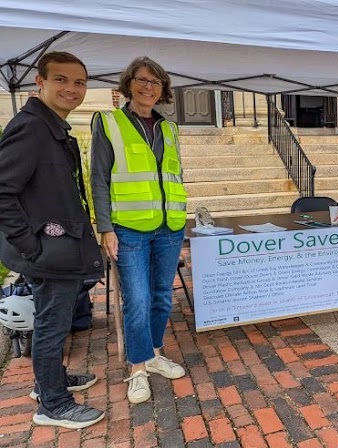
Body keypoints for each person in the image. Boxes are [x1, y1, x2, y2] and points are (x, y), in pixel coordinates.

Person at [0, 51, 105, 428]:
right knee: (51, 325)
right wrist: (33, 247)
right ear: (40, 82)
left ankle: (50, 382)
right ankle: (53, 405)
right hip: (49, 252)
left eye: (79, 82)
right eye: (61, 79)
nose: (71, 89)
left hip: (57, 248)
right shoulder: (31, 127)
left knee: (54, 322)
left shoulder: (50, 127)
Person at [91, 57, 188, 404]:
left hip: (169, 226)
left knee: (162, 295)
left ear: (163, 89)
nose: (148, 87)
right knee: (137, 299)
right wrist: (105, 227)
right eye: (142, 80)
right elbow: (98, 179)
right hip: (129, 228)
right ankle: (137, 368)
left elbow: (175, 175)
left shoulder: (170, 128)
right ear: (128, 84)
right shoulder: (109, 122)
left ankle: (155, 354)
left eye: (155, 82)